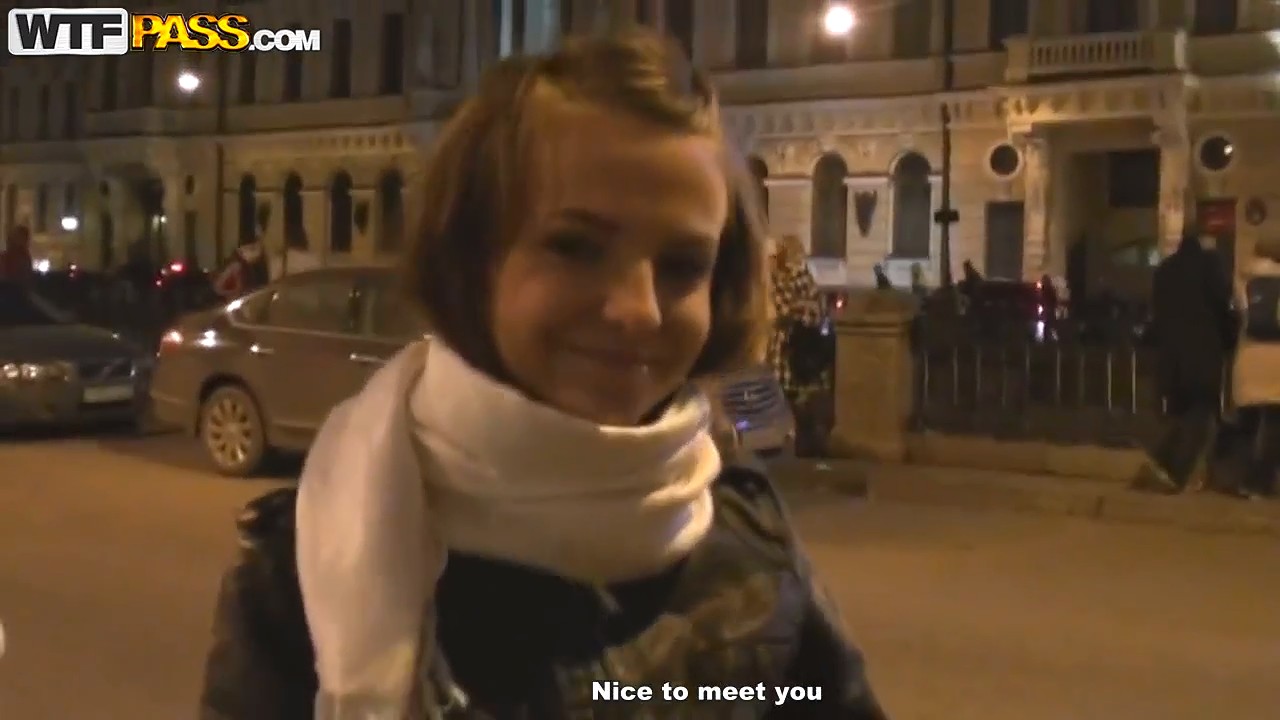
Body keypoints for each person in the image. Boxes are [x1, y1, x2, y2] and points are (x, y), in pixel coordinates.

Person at [199, 31, 887, 719]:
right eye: (575, 247)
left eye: (683, 266)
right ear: (473, 257)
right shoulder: (302, 571)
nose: (638, 311)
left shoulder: (745, 527)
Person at [1140, 231, 1235, 493]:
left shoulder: (1164, 271)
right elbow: (1222, 304)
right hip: (1202, 354)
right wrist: (1229, 337)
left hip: (1171, 357)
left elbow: (1156, 313)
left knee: (1183, 412)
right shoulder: (1209, 266)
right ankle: (1173, 471)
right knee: (1200, 414)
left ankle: (1159, 465)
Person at [1227, 250, 1280, 498]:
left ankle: (1240, 479)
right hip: (1276, 363)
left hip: (1248, 360)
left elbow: (1237, 319)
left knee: (1246, 424)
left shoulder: (1244, 281)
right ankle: (1261, 482)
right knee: (1274, 426)